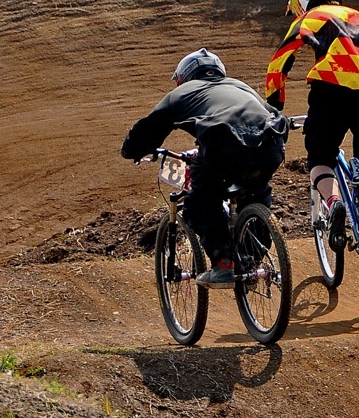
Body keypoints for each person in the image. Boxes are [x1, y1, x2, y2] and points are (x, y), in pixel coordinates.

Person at [121, 48, 289, 288]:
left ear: (185, 77)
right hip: (271, 145)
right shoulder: (239, 86)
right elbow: (272, 113)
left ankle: (223, 264)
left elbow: (150, 127)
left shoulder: (182, 93)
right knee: (257, 193)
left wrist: (131, 150)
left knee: (199, 201)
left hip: (226, 148)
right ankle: (250, 260)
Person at [265, 0, 359, 244]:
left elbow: (279, 62)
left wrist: (275, 105)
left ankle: (334, 200)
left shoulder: (311, 18)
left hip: (331, 91)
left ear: (302, 0)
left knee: (320, 156)